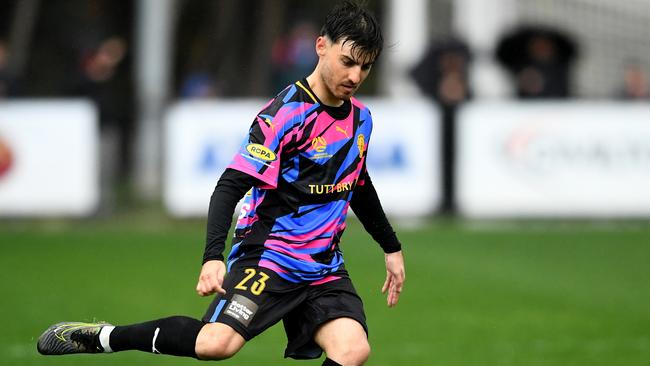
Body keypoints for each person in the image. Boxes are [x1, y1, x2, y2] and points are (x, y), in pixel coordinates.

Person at [37, 2, 405, 365]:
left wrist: (391, 247)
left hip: (323, 267)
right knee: (215, 345)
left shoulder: (361, 119)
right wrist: (213, 257)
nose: (355, 76)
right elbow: (229, 186)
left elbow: (357, 182)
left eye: (366, 66)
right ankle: (103, 337)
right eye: (348, 61)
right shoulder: (283, 116)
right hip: (268, 259)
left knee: (352, 350)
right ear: (321, 46)